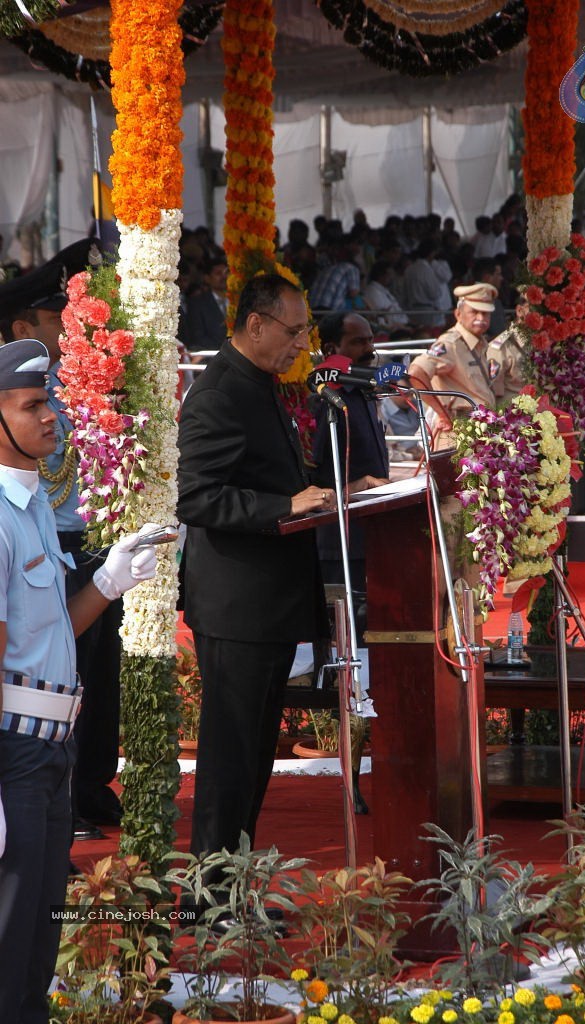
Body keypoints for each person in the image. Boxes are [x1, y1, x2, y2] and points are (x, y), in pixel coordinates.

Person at [0, 338, 158, 1024]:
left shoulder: (33, 502)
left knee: (36, 938)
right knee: (10, 940)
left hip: (50, 748)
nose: (50, 418)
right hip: (15, 751)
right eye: (31, 405)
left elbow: (54, 625)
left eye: (51, 403)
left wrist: (107, 581)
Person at [177, 273, 329, 859]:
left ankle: (232, 884)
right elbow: (193, 494)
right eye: (293, 331)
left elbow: (267, 475)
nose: (301, 345)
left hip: (267, 603)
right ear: (256, 324)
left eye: (305, 332)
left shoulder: (259, 382)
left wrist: (331, 487)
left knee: (255, 755)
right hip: (238, 606)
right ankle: (208, 894)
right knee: (230, 760)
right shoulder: (221, 392)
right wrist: (283, 506)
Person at [0, 240, 126, 840]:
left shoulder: (76, 382)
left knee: (97, 673)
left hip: (81, 538)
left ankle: (88, 786)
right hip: (18, 744)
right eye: (57, 319)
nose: (69, 327)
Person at [311, 312, 389, 595]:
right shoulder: (325, 398)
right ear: (331, 349)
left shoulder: (362, 389)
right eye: (359, 342)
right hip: (338, 541)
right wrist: (359, 485)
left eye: (370, 340)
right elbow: (310, 478)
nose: (370, 349)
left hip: (372, 531)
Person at [408, 282, 498, 449]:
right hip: (458, 438)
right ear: (458, 314)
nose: (481, 318)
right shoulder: (450, 344)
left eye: (486, 313)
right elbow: (416, 372)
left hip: (480, 436)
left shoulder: (480, 344)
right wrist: (441, 414)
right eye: (474, 312)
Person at [185, 255, 228, 352]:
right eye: (218, 273)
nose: (224, 277)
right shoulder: (197, 304)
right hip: (211, 357)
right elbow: (197, 337)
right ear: (207, 278)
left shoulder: (239, 300)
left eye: (226, 273)